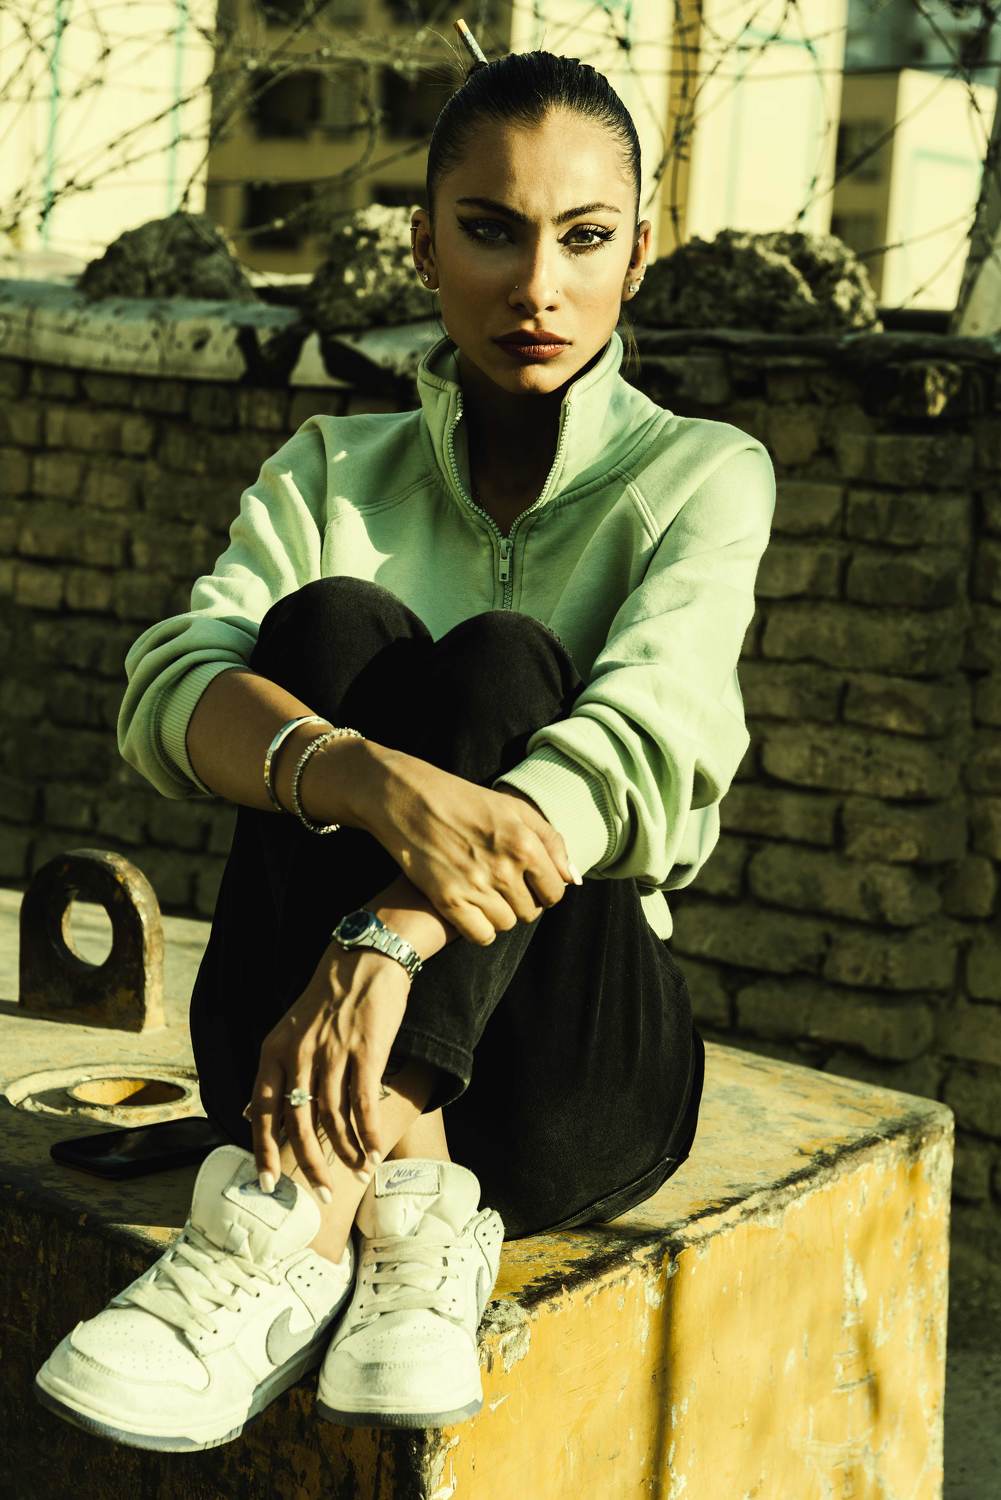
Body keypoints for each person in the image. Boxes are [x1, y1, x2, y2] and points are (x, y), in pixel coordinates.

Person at [33, 36, 776, 1452]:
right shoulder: (330, 468)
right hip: (285, 1054)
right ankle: (393, 1209)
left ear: (638, 255)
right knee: (323, 626)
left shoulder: (702, 474)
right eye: (491, 230)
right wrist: (368, 778)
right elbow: (167, 688)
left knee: (506, 665)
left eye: (584, 237)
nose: (537, 285)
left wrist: (386, 940)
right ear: (426, 245)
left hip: (565, 1079)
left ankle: (287, 1235)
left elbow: (646, 747)